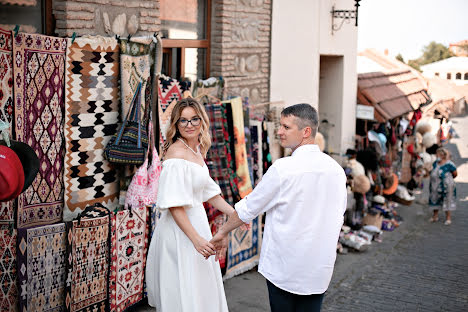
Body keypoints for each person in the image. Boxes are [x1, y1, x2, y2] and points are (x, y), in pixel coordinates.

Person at [211, 104, 347, 312]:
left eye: (286, 127)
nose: (279, 132)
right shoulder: (336, 171)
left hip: (285, 267)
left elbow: (249, 208)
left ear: (306, 132)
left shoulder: (283, 169)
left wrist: (222, 232)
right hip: (318, 267)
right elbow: (339, 215)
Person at [145, 97, 234, 312]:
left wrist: (235, 214)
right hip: (181, 232)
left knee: (200, 291)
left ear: (202, 121)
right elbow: (175, 205)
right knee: (184, 293)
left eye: (194, 119)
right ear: (176, 125)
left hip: (197, 225)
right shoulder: (176, 153)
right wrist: (196, 240)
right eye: (183, 121)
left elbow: (207, 191)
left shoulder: (197, 150)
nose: (189, 125)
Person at [429, 147, 457, 225]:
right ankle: (435, 216)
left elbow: (455, 174)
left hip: (446, 186)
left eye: (437, 154)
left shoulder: (449, 164)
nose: (436, 155)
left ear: (442, 155)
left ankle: (448, 218)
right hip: (435, 186)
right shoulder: (435, 163)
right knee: (435, 199)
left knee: (447, 200)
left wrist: (448, 180)